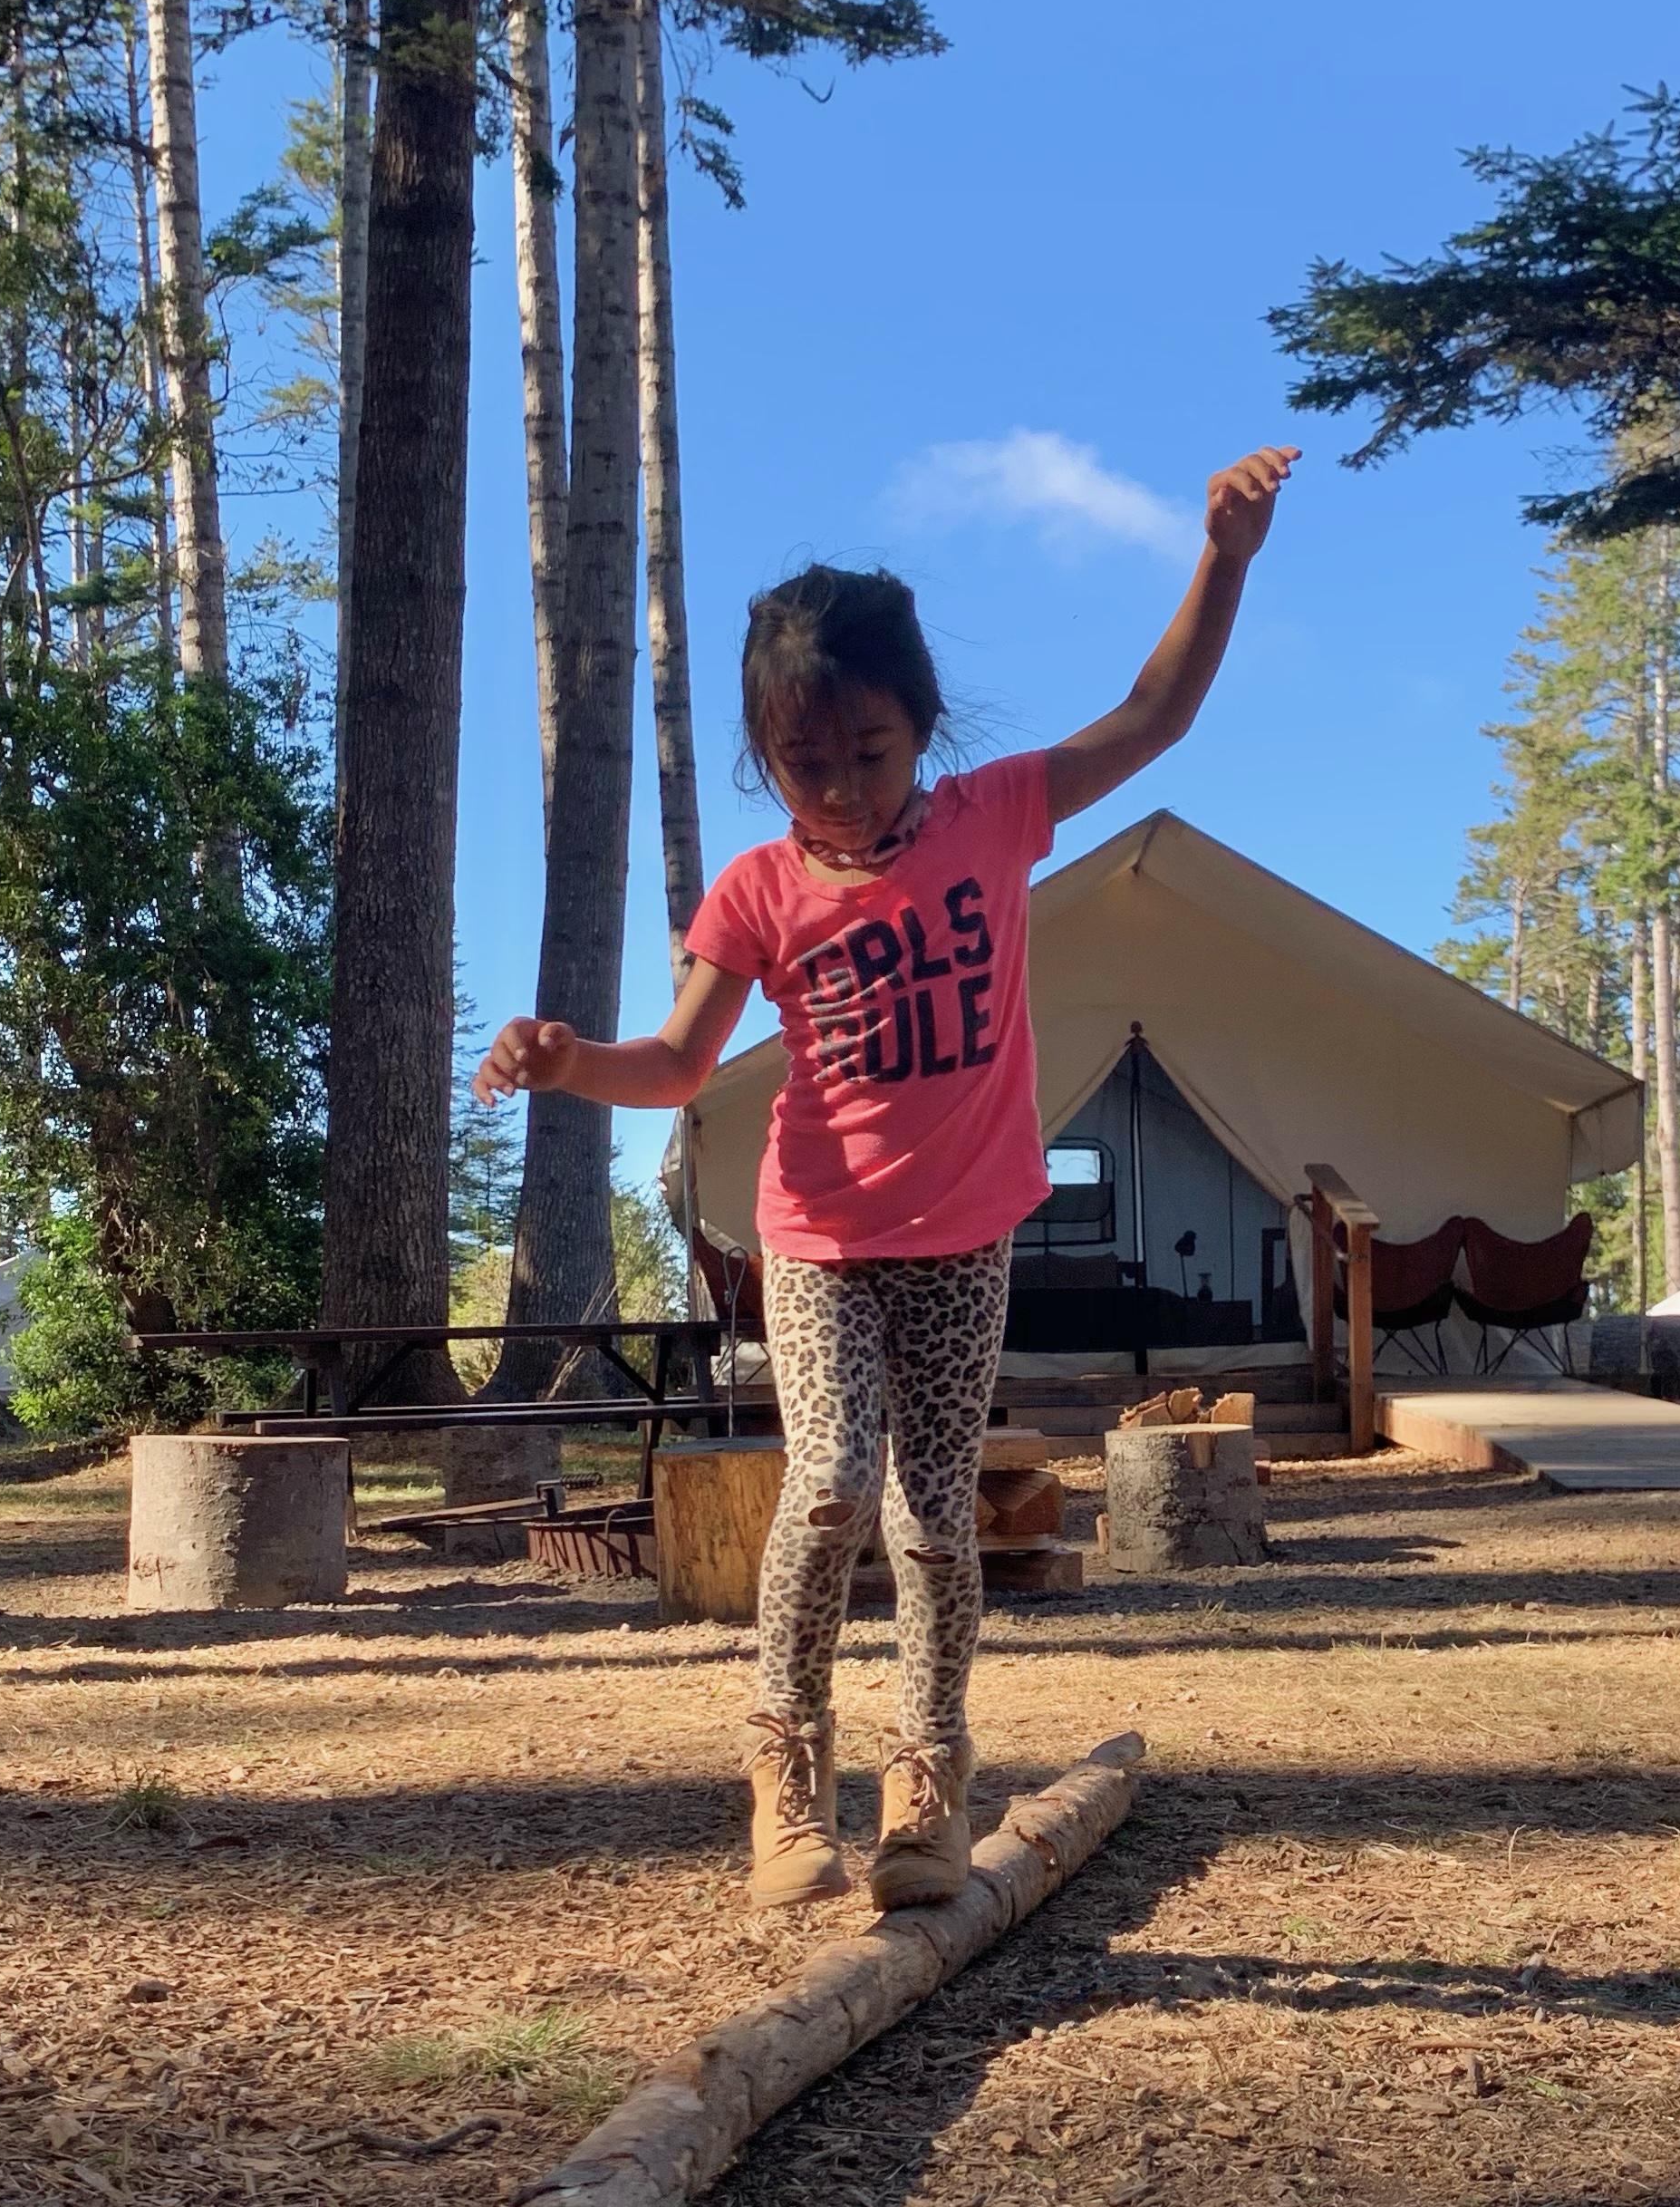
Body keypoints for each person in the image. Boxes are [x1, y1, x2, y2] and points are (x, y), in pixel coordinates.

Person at [478, 442, 1298, 1912]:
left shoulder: (993, 818)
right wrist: (564, 1060)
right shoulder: (754, 892)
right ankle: (784, 1769)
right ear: (763, 753)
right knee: (830, 1483)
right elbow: (673, 1064)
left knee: (932, 1511)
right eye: (806, 763)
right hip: (819, 1235)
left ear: (920, 725)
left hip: (965, 1235)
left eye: (870, 751)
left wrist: (1220, 557)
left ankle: (928, 1774)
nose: (843, 789)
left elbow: (1153, 716)